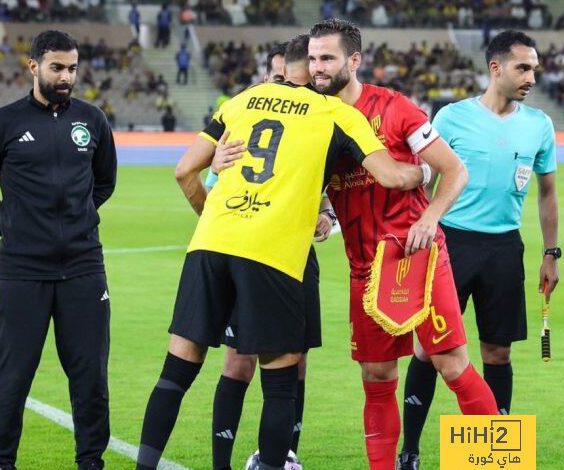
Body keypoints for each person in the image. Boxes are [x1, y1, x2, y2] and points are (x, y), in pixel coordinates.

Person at [134, 43, 431, 470]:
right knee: (279, 386)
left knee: (176, 372)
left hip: (210, 244)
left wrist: (214, 218)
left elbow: (184, 172)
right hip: (271, 255)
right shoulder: (337, 113)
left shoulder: (242, 100)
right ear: (310, 73)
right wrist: (423, 171)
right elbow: (388, 175)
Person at [307, 18, 498, 470]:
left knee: (451, 364)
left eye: (327, 58)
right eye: (313, 58)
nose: (317, 67)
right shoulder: (314, 119)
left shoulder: (395, 109)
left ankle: (494, 463)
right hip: (363, 267)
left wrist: (431, 217)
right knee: (376, 377)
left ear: (353, 61)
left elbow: (454, 171)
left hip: (417, 260)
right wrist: (323, 213)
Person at [398, 30, 559, 470]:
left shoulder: (540, 125)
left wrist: (552, 252)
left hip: (505, 248)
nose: (532, 75)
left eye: (534, 68)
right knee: (428, 351)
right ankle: (409, 452)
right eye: (523, 67)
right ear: (496, 68)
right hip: (450, 244)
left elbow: (547, 193)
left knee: (498, 354)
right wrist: (418, 232)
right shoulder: (451, 118)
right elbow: (423, 180)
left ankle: (491, 456)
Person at [0, 30, 117, 470]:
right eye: (57, 67)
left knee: (90, 377)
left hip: (85, 268)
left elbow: (104, 182)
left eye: (72, 68)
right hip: (22, 273)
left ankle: (91, 461)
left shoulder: (92, 121)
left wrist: (75, 220)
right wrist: (14, 229)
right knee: (11, 377)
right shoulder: (3, 123)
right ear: (33, 67)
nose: (66, 76)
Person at [206, 36, 334, 470]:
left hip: (295, 257)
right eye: (279, 78)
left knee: (295, 361)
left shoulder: (315, 119)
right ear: (266, 78)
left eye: (293, 80)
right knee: (239, 361)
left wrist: (326, 214)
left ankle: (282, 457)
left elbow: (319, 182)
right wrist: (214, 165)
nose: (287, 87)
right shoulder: (240, 121)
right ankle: (221, 462)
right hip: (247, 252)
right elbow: (210, 189)